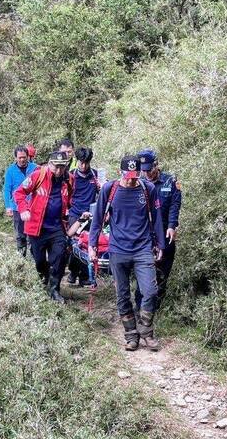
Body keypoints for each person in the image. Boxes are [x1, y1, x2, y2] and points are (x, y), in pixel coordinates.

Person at [89, 155, 165, 351]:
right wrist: (92, 245)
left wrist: (160, 245)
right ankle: (131, 335)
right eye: (128, 176)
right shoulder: (110, 189)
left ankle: (146, 331)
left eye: (135, 176)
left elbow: (156, 219)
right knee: (122, 295)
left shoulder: (148, 189)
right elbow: (97, 219)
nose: (131, 180)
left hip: (143, 249)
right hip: (118, 250)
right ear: (120, 172)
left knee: (150, 291)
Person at [13, 151, 72, 303]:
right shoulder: (37, 176)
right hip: (37, 228)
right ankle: (45, 278)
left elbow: (71, 199)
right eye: (55, 167)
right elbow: (19, 193)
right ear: (49, 164)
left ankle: (54, 290)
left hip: (57, 227)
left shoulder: (69, 180)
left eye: (62, 167)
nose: (58, 171)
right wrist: (24, 209)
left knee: (59, 257)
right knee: (39, 261)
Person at [134, 149, 182, 311]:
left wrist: (172, 226)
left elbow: (175, 205)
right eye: (143, 170)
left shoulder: (170, 181)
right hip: (144, 234)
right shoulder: (138, 182)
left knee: (162, 271)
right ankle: (140, 306)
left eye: (149, 169)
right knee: (143, 270)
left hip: (165, 232)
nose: (146, 173)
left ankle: (155, 308)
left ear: (157, 165)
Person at [66, 147, 100, 287]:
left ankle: (85, 276)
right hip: (75, 214)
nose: (84, 166)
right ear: (77, 161)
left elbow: (103, 193)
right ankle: (73, 272)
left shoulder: (96, 175)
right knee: (75, 244)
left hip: (91, 215)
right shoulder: (70, 175)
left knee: (88, 245)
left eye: (86, 163)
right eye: (81, 162)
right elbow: (65, 194)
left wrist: (101, 187)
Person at [3, 145, 38, 256]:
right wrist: (8, 206)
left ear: (28, 157)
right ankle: (21, 259)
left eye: (24, 157)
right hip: (17, 207)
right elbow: (7, 189)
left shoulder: (35, 168)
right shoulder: (10, 171)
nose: (22, 159)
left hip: (33, 206)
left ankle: (35, 259)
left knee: (33, 234)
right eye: (20, 157)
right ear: (15, 158)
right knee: (20, 234)